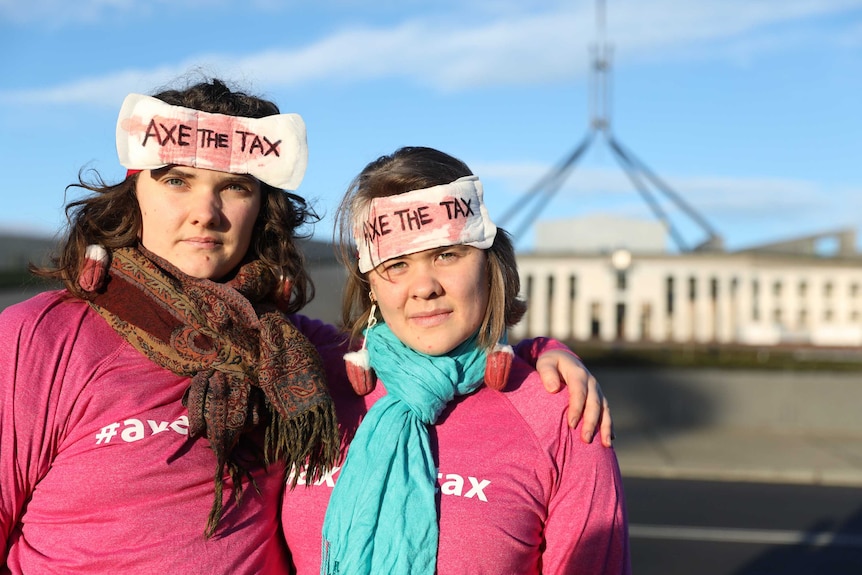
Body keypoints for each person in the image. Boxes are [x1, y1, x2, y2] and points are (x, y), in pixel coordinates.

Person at [0, 78, 611, 574]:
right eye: (177, 180)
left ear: (261, 208)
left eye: (233, 187)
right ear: (135, 193)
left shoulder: (301, 358)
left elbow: (416, 345)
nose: (204, 213)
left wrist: (536, 353)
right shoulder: (40, 338)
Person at [281, 147, 630, 574]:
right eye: (396, 264)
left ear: (489, 265)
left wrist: (541, 351)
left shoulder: (563, 412)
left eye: (447, 255)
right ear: (370, 284)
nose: (424, 287)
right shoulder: (309, 386)